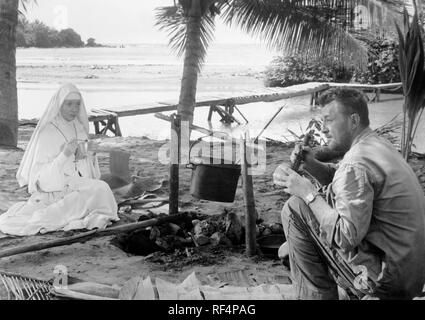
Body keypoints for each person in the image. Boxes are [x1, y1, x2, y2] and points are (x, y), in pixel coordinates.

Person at [273, 88, 425, 300]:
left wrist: (307, 193)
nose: (324, 129)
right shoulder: (377, 145)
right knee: (291, 241)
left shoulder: (355, 163)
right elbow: (345, 182)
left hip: (386, 282)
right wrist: (311, 165)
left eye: (329, 120)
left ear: (353, 121)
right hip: (411, 273)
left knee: (295, 208)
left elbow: (345, 237)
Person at [0, 83, 119, 236]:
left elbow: (84, 168)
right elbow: (41, 177)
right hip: (54, 188)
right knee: (92, 194)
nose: (74, 109)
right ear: (59, 105)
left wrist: (88, 157)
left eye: (77, 104)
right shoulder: (47, 131)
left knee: (102, 188)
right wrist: (64, 155)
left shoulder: (79, 127)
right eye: (69, 104)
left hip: (75, 182)